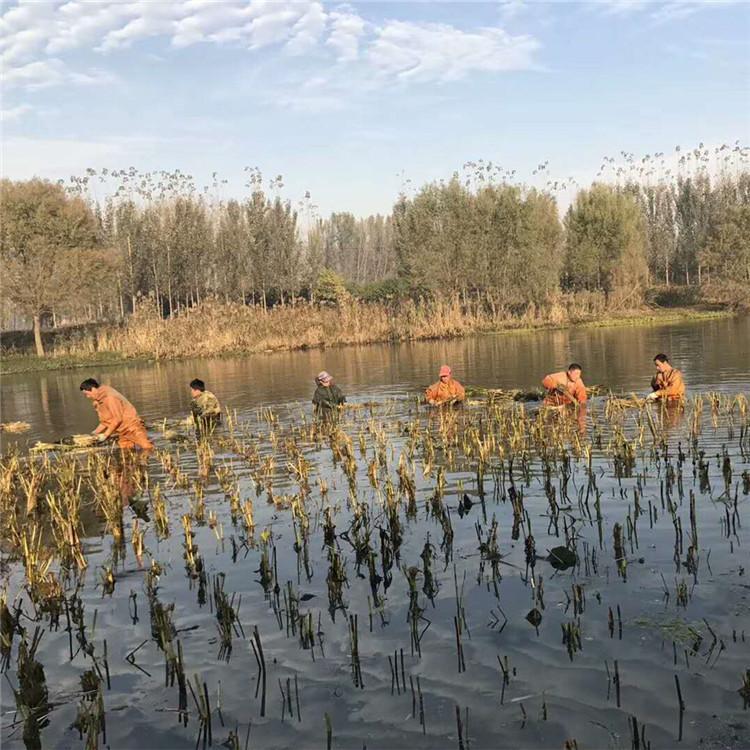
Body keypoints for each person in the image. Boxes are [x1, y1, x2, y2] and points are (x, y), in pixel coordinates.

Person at [79, 379, 153, 450]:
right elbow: (105, 422)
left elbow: (117, 419)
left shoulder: (110, 397)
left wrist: (105, 435)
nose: (87, 397)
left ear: (93, 389)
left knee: (147, 448)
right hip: (122, 432)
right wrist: (94, 433)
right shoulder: (99, 401)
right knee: (126, 453)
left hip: (132, 428)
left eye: (87, 394)